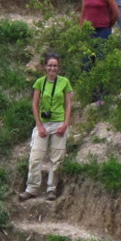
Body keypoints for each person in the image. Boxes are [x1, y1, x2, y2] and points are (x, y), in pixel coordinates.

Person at [25, 50, 72, 198]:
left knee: (57, 159)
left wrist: (65, 124)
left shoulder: (64, 82)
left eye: (55, 66)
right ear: (45, 67)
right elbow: (35, 104)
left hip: (58, 122)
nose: (52, 68)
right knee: (35, 157)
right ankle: (32, 188)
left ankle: (52, 188)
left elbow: (69, 104)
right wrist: (39, 125)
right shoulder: (40, 82)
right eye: (50, 65)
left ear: (58, 67)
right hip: (44, 123)